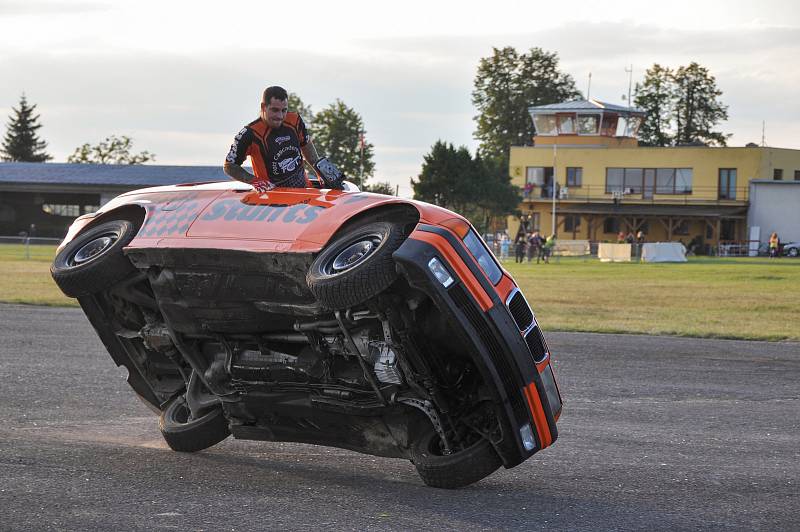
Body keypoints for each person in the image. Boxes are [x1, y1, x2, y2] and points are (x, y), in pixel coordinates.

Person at [224, 85, 344, 192]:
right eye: (275, 110)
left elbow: (307, 147)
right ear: (263, 107)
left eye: (284, 110)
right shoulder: (249, 133)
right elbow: (229, 166)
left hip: (304, 192)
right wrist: (254, 181)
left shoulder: (294, 120)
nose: (280, 116)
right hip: (274, 198)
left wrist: (321, 171)